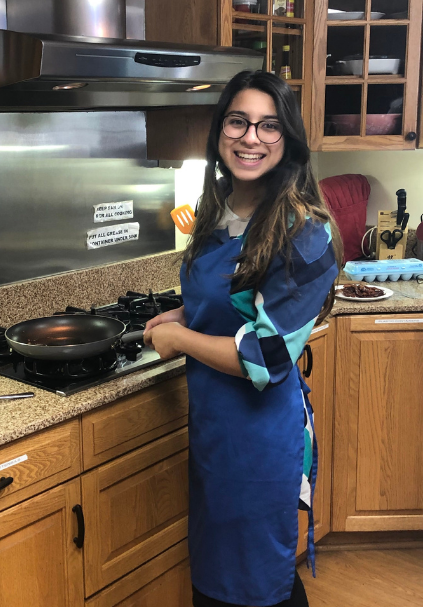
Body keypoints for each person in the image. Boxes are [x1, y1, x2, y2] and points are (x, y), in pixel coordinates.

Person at [143, 70, 343, 607]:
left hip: (258, 443)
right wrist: (184, 312)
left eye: (268, 126)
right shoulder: (219, 208)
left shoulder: (305, 234)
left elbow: (265, 355)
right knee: (215, 582)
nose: (250, 137)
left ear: (289, 139)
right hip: (215, 435)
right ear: (220, 131)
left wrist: (182, 339)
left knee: (257, 586)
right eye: (238, 121)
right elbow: (228, 299)